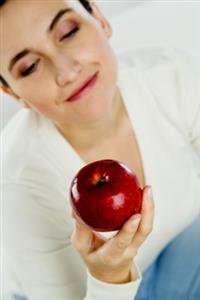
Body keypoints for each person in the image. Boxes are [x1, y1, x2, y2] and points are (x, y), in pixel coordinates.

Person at [0, 1, 199, 300]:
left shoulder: (170, 76)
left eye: (68, 32)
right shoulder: (18, 185)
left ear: (99, 18)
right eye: (30, 67)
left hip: (179, 255)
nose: (66, 71)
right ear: (14, 93)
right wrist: (110, 277)